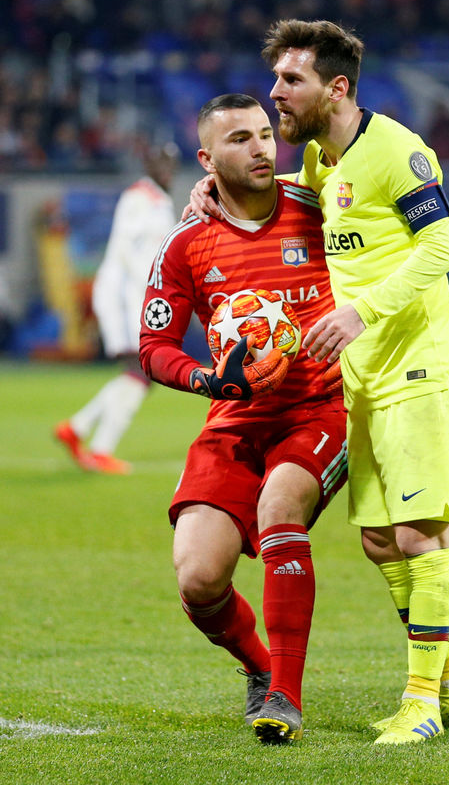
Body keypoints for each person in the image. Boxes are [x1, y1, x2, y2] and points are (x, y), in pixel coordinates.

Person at [186, 19, 449, 746]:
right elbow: (307, 189)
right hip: (369, 377)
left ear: (336, 87)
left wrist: (361, 310)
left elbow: (442, 244)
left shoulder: (397, 151)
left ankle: (421, 705)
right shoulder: (324, 159)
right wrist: (216, 183)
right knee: (382, 542)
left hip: (421, 366)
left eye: (290, 81)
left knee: (419, 534)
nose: (274, 95)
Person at [139, 94, 347, 745]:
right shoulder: (185, 243)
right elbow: (153, 346)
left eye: (264, 134)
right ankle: (258, 668)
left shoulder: (319, 213)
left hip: (318, 407)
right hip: (234, 418)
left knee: (280, 505)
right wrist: (207, 379)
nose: (260, 147)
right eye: (238, 140)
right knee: (199, 578)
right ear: (206, 159)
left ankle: (286, 694)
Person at [54, 143, 180, 473]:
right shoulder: (138, 197)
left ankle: (77, 428)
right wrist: (147, 298)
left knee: (140, 373)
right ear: (147, 163)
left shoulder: (161, 201)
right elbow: (125, 250)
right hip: (126, 295)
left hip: (139, 296)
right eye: (160, 161)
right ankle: (99, 448)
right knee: (142, 371)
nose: (166, 168)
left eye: (171, 163)